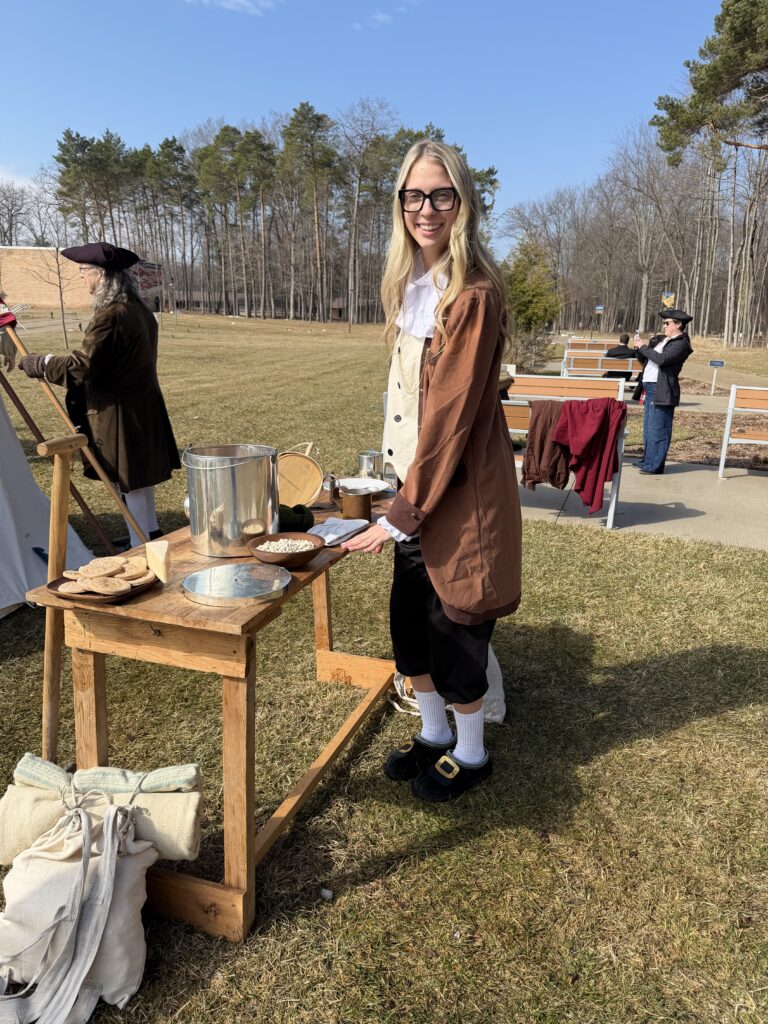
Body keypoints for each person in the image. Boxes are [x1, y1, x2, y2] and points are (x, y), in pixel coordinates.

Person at [342, 140, 522, 802]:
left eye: (441, 195)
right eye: (414, 195)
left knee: (457, 622)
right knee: (410, 623)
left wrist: (399, 516)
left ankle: (473, 754)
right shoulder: (412, 285)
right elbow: (406, 403)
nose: (426, 208)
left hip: (457, 491)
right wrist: (385, 480)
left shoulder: (470, 295)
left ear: (462, 203)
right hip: (411, 487)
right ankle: (435, 734)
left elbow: (448, 422)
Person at [18, 242, 180, 548]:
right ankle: (149, 531)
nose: (81, 277)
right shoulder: (138, 309)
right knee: (137, 476)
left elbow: (83, 365)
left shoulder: (113, 314)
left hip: (119, 410)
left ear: (102, 275)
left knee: (128, 476)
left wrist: (43, 363)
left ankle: (140, 544)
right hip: (140, 405)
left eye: (84, 271)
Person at [632, 308, 693, 475]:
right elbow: (646, 360)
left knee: (659, 428)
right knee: (649, 428)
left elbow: (662, 360)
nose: (664, 325)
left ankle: (655, 466)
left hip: (663, 390)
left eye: (667, 323)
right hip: (650, 387)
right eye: (664, 323)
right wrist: (638, 348)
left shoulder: (681, 344)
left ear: (679, 325)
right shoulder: (662, 341)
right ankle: (648, 460)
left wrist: (643, 347)